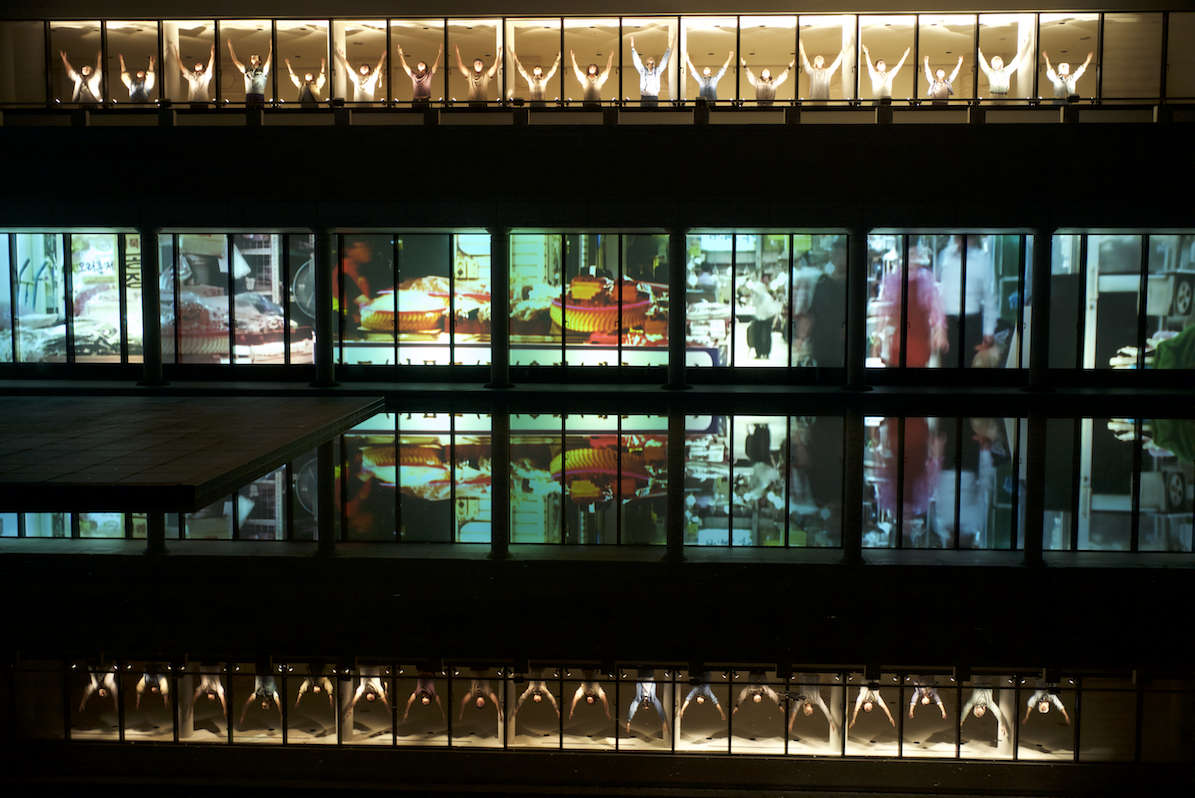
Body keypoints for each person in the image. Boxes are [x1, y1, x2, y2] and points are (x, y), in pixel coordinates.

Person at [935, 236, 999, 367]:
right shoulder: (945, 255)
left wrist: (988, 331)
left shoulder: (983, 259)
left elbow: (990, 297)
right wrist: (939, 327)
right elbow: (937, 291)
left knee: (969, 366)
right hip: (948, 325)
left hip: (972, 324)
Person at [743, 271, 780, 360]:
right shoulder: (759, 286)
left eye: (768, 278)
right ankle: (759, 353)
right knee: (758, 334)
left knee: (767, 335)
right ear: (762, 278)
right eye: (765, 278)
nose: (767, 280)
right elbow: (755, 294)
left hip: (768, 314)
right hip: (759, 314)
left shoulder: (772, 287)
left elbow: (775, 299)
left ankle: (766, 353)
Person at [631, 33, 673, 107]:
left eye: (652, 63)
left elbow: (663, 62)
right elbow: (637, 62)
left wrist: (668, 49)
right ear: (646, 64)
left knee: (654, 113)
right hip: (644, 97)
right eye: (649, 63)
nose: (651, 64)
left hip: (654, 97)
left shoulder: (657, 71)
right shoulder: (643, 71)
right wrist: (633, 49)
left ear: (654, 64)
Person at [227, 40, 272, 106]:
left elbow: (269, 61)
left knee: (259, 110)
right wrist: (230, 47)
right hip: (249, 96)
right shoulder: (246, 70)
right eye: (252, 57)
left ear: (259, 61)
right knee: (249, 110)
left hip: (259, 96)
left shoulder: (263, 70)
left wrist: (271, 49)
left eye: (255, 56)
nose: (253, 56)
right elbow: (235, 61)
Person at [625, 669, 668, 737]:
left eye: (644, 704)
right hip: (650, 675)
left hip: (641, 675)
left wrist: (628, 721)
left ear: (643, 702)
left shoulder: (639, 698)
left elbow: (633, 707)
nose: (645, 702)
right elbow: (659, 707)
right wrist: (663, 721)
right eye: (647, 704)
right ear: (648, 703)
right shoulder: (652, 698)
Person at [173, 43, 216, 107]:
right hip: (193, 101)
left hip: (203, 101)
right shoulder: (191, 76)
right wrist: (176, 53)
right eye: (196, 64)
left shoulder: (206, 75)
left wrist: (212, 54)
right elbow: (181, 67)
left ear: (203, 68)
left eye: (199, 64)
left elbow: (211, 63)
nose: (197, 64)